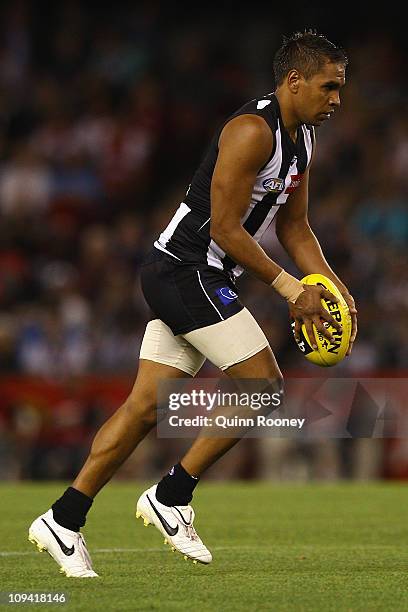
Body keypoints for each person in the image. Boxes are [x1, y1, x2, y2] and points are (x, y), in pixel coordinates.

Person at [28, 30, 357, 577]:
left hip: (193, 273)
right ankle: (171, 496)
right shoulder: (252, 131)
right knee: (263, 384)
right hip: (184, 269)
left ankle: (64, 518)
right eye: (329, 86)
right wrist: (290, 289)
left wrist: (330, 285)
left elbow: (296, 227)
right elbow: (226, 229)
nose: (337, 99)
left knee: (144, 408)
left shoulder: (303, 139)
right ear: (293, 82)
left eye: (340, 89)